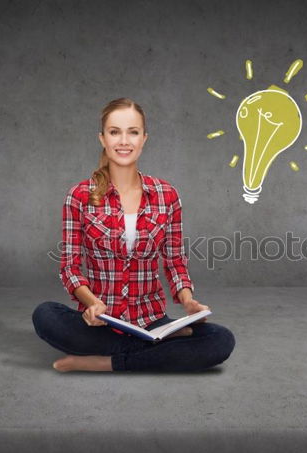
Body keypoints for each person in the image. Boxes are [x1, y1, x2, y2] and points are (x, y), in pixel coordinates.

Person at [31, 98, 236, 372]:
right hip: (101, 323)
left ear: (144, 139)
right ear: (102, 138)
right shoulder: (79, 196)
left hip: (151, 320)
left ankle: (105, 362)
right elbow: (69, 267)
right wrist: (92, 305)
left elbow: (175, 260)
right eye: (115, 132)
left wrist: (188, 302)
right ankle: (159, 351)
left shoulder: (166, 195)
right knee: (45, 315)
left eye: (133, 132)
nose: (124, 141)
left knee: (220, 340)